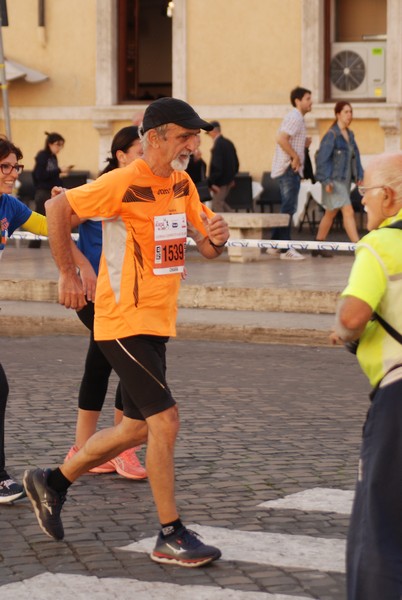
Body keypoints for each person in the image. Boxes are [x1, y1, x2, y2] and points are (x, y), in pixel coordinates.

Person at [23, 97, 229, 567]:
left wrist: (217, 236)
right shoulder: (123, 180)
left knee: (135, 428)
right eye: (184, 136)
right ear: (153, 137)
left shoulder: (181, 184)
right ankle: (170, 533)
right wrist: (67, 273)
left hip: (157, 321)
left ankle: (51, 482)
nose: (192, 146)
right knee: (166, 421)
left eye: (195, 138)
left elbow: (206, 245)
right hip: (121, 321)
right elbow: (58, 211)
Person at [0, 136, 93, 504]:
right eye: (5, 166)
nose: (13, 173)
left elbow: (51, 226)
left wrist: (63, 204)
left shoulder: (9, 206)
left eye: (16, 166)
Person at [330, 152, 402, 599]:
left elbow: (353, 316)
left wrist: (339, 329)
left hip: (398, 400)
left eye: (366, 193)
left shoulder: (380, 245)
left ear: (389, 196)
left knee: (380, 527)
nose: (362, 203)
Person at [64, 126, 146, 479]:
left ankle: (92, 448)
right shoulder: (106, 186)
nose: (145, 157)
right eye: (139, 151)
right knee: (128, 359)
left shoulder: (144, 186)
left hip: (129, 292)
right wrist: (78, 269)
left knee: (101, 362)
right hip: (95, 294)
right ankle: (116, 448)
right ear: (121, 155)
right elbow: (59, 220)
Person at [313, 101, 363, 257]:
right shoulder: (331, 135)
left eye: (350, 112)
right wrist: (326, 181)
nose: (349, 115)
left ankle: (318, 244)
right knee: (348, 211)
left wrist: (359, 175)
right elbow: (322, 159)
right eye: (346, 112)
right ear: (338, 114)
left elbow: (356, 157)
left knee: (331, 213)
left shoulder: (350, 134)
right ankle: (359, 247)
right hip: (334, 181)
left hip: (345, 180)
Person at [270, 86, 313, 260]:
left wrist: (303, 144)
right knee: (289, 207)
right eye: (307, 98)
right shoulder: (295, 117)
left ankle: (274, 244)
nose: (311, 102)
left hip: (290, 168)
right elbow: (281, 138)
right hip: (289, 168)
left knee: (286, 207)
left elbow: (288, 139)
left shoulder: (297, 118)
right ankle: (285, 248)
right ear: (298, 101)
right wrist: (295, 156)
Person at [31, 132, 72, 248]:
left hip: (52, 191)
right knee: (39, 218)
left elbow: (51, 174)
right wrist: (59, 170)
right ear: (49, 144)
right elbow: (39, 175)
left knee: (55, 218)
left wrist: (59, 175)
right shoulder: (43, 156)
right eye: (57, 144)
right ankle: (34, 244)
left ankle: (57, 244)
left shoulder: (53, 157)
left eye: (61, 145)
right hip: (43, 191)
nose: (59, 148)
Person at [206, 121, 239, 212]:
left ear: (214, 131)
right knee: (221, 202)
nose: (210, 136)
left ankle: (227, 225)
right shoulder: (229, 143)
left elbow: (217, 166)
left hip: (220, 182)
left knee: (217, 204)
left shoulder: (218, 145)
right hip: (228, 180)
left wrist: (212, 182)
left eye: (209, 133)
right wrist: (232, 177)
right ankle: (234, 220)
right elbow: (236, 163)